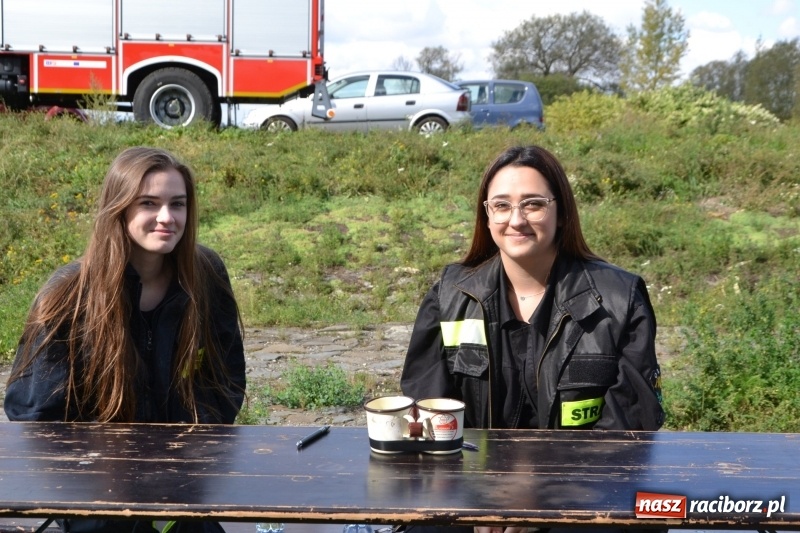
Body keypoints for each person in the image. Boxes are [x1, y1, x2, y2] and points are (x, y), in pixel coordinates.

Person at [4, 146, 246, 533]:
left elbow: (227, 379)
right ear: (119, 208)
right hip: (96, 499)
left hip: (182, 487)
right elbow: (32, 415)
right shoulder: (68, 295)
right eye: (148, 203)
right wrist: (95, 477)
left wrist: (187, 450)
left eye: (177, 204)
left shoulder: (205, 274)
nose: (166, 218)